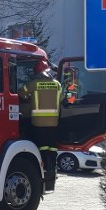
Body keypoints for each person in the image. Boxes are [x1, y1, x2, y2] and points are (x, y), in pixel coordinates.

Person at [19, 59, 62, 187]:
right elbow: (62, 99)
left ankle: (43, 167)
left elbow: (21, 92)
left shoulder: (34, 84)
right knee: (52, 146)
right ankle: (52, 168)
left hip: (38, 121)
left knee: (42, 145)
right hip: (53, 121)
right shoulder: (57, 84)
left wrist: (29, 98)